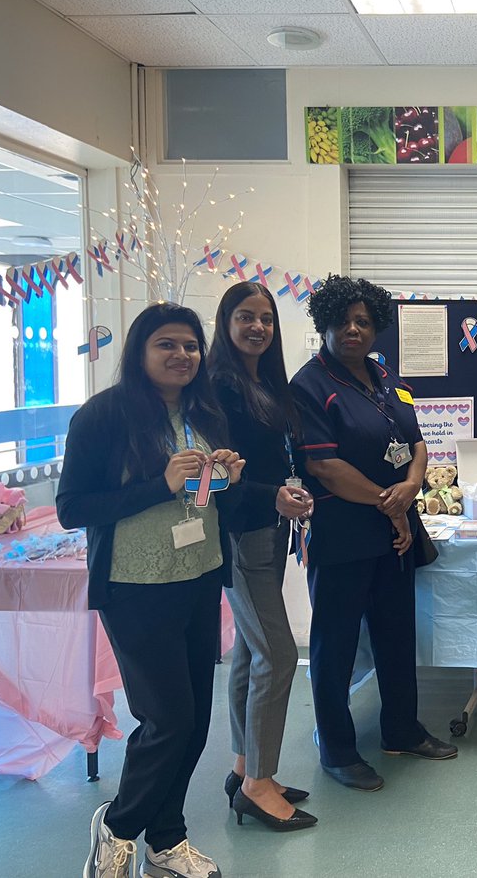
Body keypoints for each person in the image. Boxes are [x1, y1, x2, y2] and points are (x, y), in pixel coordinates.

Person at [59, 303, 252, 878]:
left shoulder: (206, 412)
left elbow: (210, 501)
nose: (182, 356)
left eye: (191, 346)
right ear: (140, 352)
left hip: (196, 579)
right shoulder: (104, 417)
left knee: (193, 722)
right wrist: (157, 484)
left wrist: (229, 479)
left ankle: (166, 841)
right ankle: (116, 827)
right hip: (134, 585)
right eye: (166, 344)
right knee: (165, 718)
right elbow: (72, 509)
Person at [290, 274, 457, 793]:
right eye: (343, 321)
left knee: (395, 635)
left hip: (395, 532)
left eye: (364, 321)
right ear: (325, 324)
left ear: (377, 327)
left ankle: (401, 730)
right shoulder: (308, 386)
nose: (354, 329)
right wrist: (392, 505)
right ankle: (337, 748)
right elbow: (326, 469)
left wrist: (409, 486)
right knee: (335, 645)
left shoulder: (384, 378)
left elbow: (416, 441)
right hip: (342, 534)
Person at [206, 283, 317, 831]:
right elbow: (214, 476)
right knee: (276, 652)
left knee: (250, 653)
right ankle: (257, 784)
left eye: (266, 319)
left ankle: (247, 766)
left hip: (270, 529)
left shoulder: (263, 383)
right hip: (241, 532)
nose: (257, 327)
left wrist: (286, 493)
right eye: (245, 317)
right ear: (225, 322)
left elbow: (272, 460)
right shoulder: (217, 388)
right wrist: (270, 495)